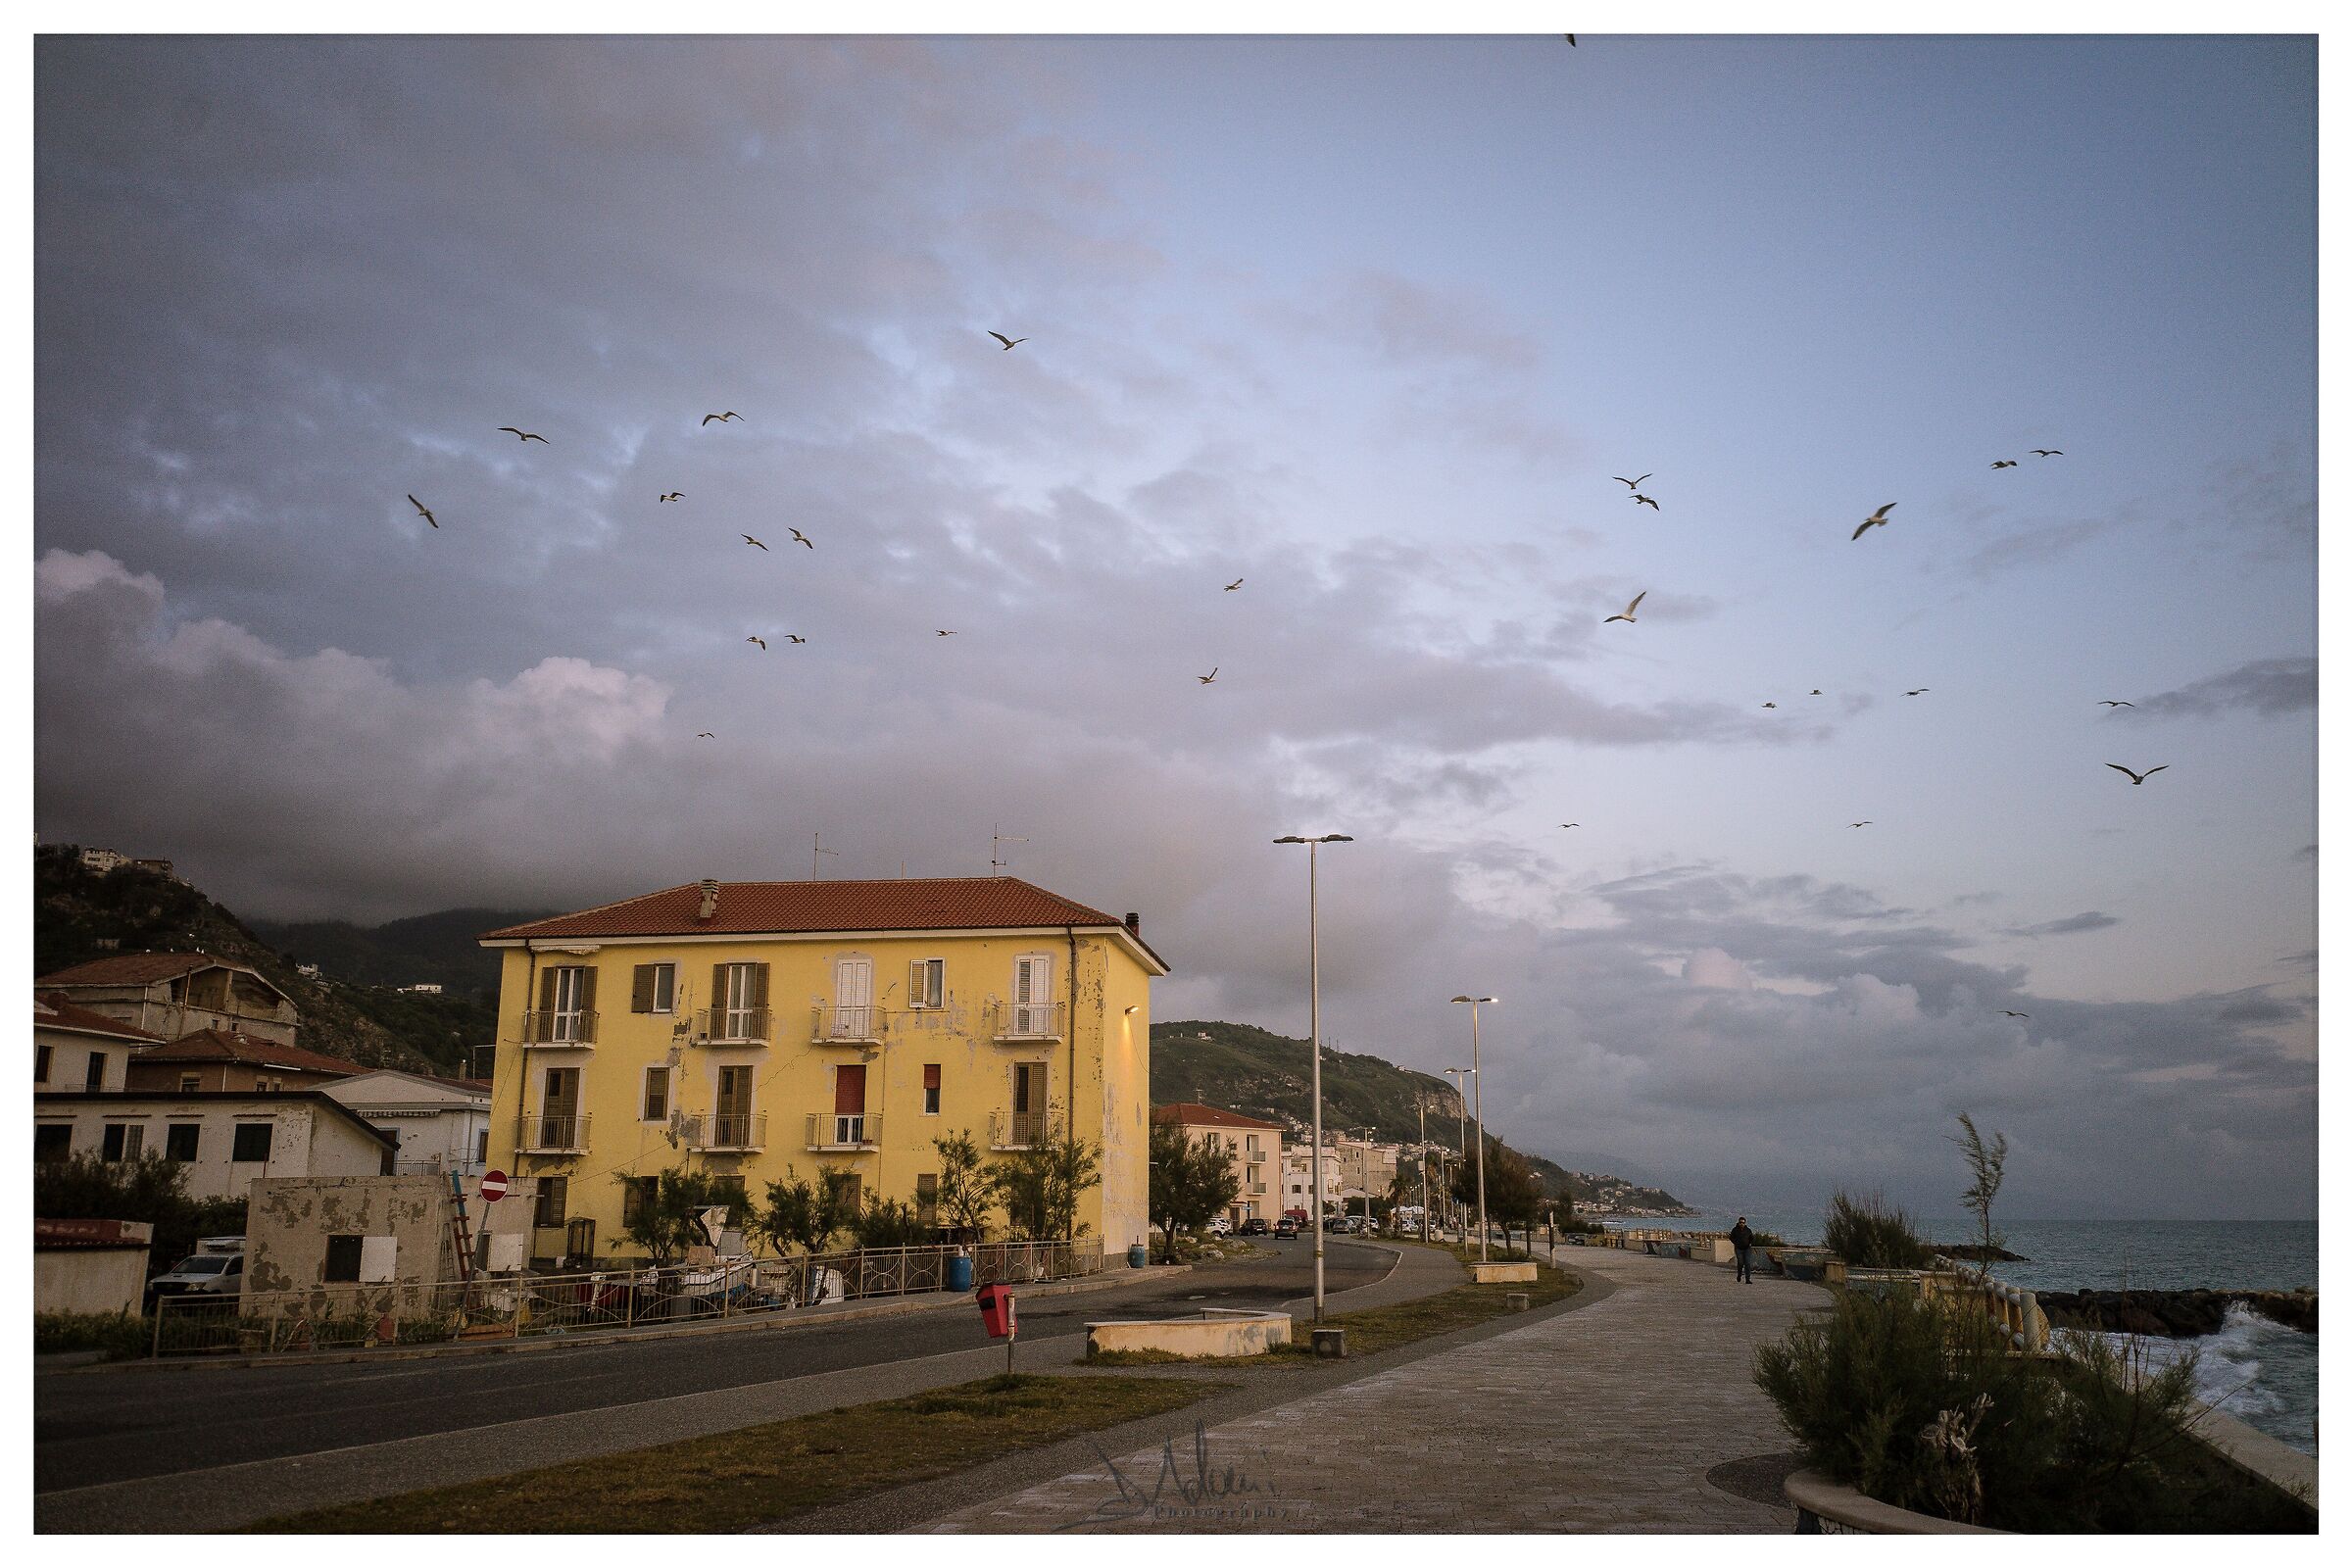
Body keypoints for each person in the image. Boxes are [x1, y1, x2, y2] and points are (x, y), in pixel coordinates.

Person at [1730, 1216, 1755, 1284]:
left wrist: (1750, 1243)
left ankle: (1748, 1279)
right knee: (1740, 1263)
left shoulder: (1748, 1230)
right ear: (1738, 1222)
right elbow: (1731, 1237)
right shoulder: (1735, 1230)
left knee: (1747, 1263)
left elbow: (1752, 1238)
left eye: (1743, 1223)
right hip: (1738, 1249)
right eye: (1740, 1222)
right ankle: (1739, 1275)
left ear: (1745, 1223)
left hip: (1747, 1249)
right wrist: (1736, 1242)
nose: (1741, 1224)